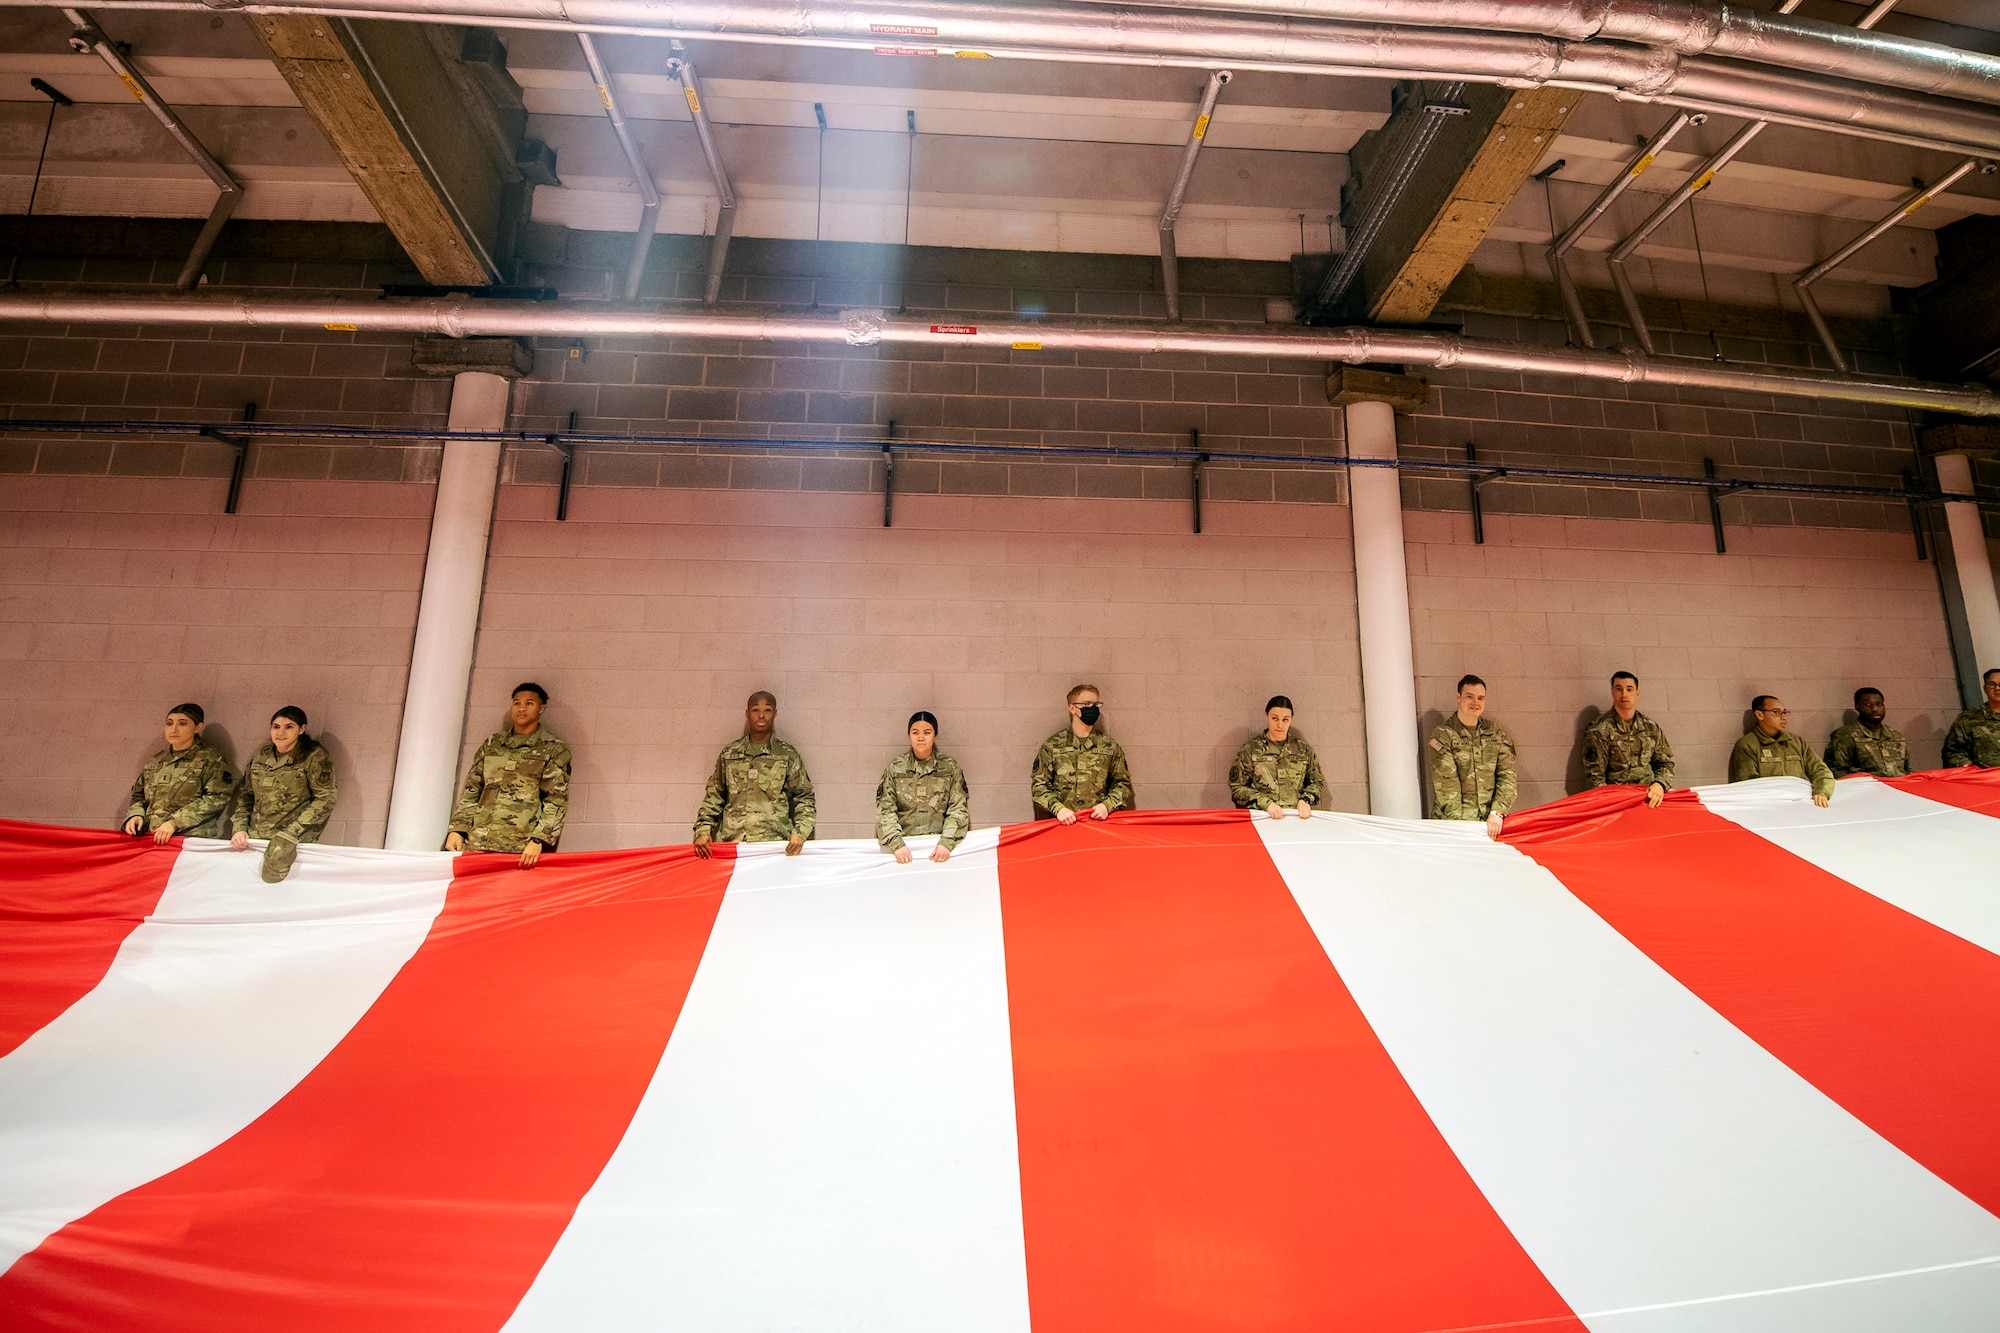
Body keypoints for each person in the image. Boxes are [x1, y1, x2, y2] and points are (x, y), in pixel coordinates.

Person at [446, 682, 570, 868]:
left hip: (521, 849)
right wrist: (457, 829)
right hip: (479, 843)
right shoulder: (492, 745)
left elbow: (556, 800)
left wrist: (538, 840)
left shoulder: (553, 749)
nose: (521, 708)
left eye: (529, 703)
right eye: (516, 703)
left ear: (541, 708)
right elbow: (472, 791)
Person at [695, 690, 815, 857]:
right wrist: (703, 830)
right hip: (733, 844)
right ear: (747, 713)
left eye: (767, 710)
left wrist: (800, 832)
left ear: (775, 714)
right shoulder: (730, 753)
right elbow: (714, 795)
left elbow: (804, 798)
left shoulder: (787, 755)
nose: (761, 715)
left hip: (774, 846)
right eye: (755, 710)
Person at [228, 705, 339, 882]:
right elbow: (246, 795)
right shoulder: (261, 755)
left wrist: (292, 832)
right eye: (276, 726)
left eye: (289, 727)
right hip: (254, 839)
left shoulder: (314, 756)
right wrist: (239, 829)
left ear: (301, 729)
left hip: (291, 843)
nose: (281, 732)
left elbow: (325, 799)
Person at [124, 702, 234, 844]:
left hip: (189, 839)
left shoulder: (211, 759)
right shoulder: (157, 760)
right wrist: (136, 815)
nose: (174, 729)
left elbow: (217, 797)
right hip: (152, 837)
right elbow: (138, 794)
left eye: (183, 724)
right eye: (169, 723)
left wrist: (175, 822)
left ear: (198, 727)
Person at [875, 711, 971, 864]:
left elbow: (958, 808)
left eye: (927, 732)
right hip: (903, 851)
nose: (920, 737)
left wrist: (946, 842)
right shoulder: (895, 768)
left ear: (935, 735)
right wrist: (896, 844)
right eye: (915, 732)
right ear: (909, 735)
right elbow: (885, 809)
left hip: (940, 850)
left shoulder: (950, 768)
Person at [1031, 683, 1133, 824]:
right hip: (1061, 824)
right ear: (1072, 708)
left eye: (1096, 704)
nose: (1093, 709)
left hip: (1098, 824)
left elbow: (1121, 784)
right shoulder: (1052, 746)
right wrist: (1058, 809)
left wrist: (1107, 806)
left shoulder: (1109, 747)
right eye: (1087, 704)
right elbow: (1039, 785)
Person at [1428, 675, 1515, 833]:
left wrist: (1497, 812)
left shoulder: (1496, 733)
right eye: (1470, 696)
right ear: (1458, 697)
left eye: (1481, 698)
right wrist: (1458, 826)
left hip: (1490, 823)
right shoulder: (1442, 735)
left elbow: (1507, 775)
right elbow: (1447, 784)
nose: (1476, 703)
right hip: (1454, 823)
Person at [1580, 670, 1674, 806]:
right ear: (1612, 692)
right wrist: (1611, 803)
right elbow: (1595, 778)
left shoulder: (1650, 728)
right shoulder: (1599, 731)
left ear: (1637, 692)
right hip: (1618, 801)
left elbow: (1665, 763)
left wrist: (1660, 784)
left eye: (1629, 689)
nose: (1624, 694)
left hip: (1649, 799)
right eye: (1619, 689)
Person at [1228, 695, 1326, 818]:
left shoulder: (1303, 749)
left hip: (1296, 817)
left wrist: (1305, 800)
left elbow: (1316, 782)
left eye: (1285, 719)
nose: (1280, 725)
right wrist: (1266, 804)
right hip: (1263, 817)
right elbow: (1237, 788)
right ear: (1267, 716)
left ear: (1291, 719)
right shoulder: (1250, 750)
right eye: (1275, 718)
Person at [1728, 695, 1834, 806]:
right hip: (1771, 806)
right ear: (1759, 715)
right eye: (1776, 712)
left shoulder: (1795, 741)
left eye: (1784, 712)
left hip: (1802, 802)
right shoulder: (1747, 745)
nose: (1783, 717)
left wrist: (1821, 792)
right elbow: (1749, 785)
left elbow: (1821, 770)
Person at [1824, 687, 1909, 777]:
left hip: (1897, 787)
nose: (1875, 709)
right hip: (1866, 788)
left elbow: (1906, 769)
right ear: (1857, 706)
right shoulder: (1844, 736)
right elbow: (1837, 772)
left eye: (1879, 704)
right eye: (1868, 705)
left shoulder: (1895, 736)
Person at [1941, 667, 2000, 768]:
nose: (1997, 688)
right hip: (1984, 780)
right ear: (1985, 689)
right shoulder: (1968, 719)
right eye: (1991, 684)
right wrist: (1970, 768)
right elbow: (1952, 752)